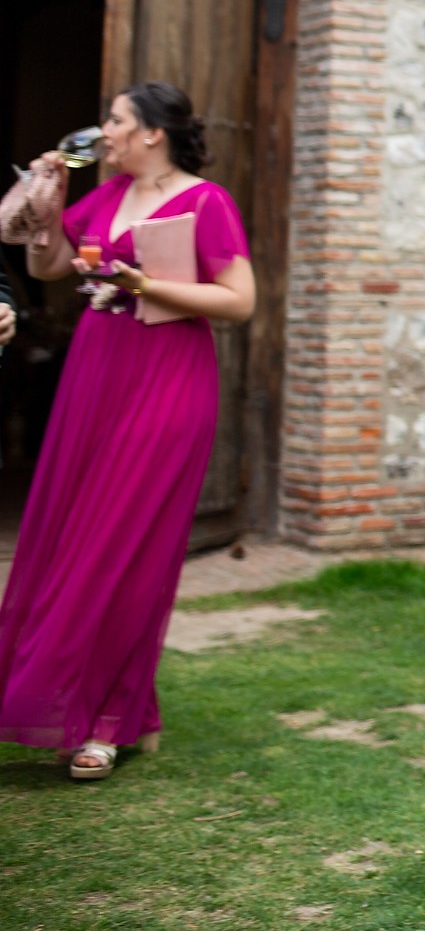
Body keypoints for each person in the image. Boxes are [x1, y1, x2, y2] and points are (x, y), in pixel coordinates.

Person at [0, 82, 255, 781]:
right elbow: (49, 267)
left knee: (124, 546)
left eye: (114, 120)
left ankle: (107, 720)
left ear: (151, 132)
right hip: (96, 376)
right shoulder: (108, 195)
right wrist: (48, 204)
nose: (103, 131)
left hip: (168, 380)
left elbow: (239, 300)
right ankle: (68, 699)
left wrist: (148, 286)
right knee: (71, 534)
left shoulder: (206, 202)